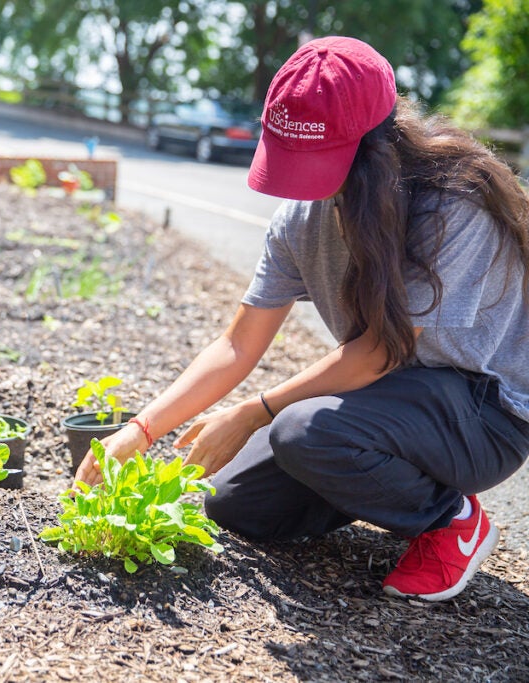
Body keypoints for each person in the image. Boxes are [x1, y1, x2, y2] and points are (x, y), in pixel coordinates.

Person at [74, 36, 529, 602]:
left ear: (375, 146)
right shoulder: (301, 221)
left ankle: (451, 518)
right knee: (237, 504)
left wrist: (250, 413)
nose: (301, 185)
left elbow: (380, 354)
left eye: (317, 163)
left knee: (302, 431)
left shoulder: (450, 205)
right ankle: (373, 474)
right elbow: (237, 344)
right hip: (393, 399)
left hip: (484, 413)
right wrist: (140, 429)